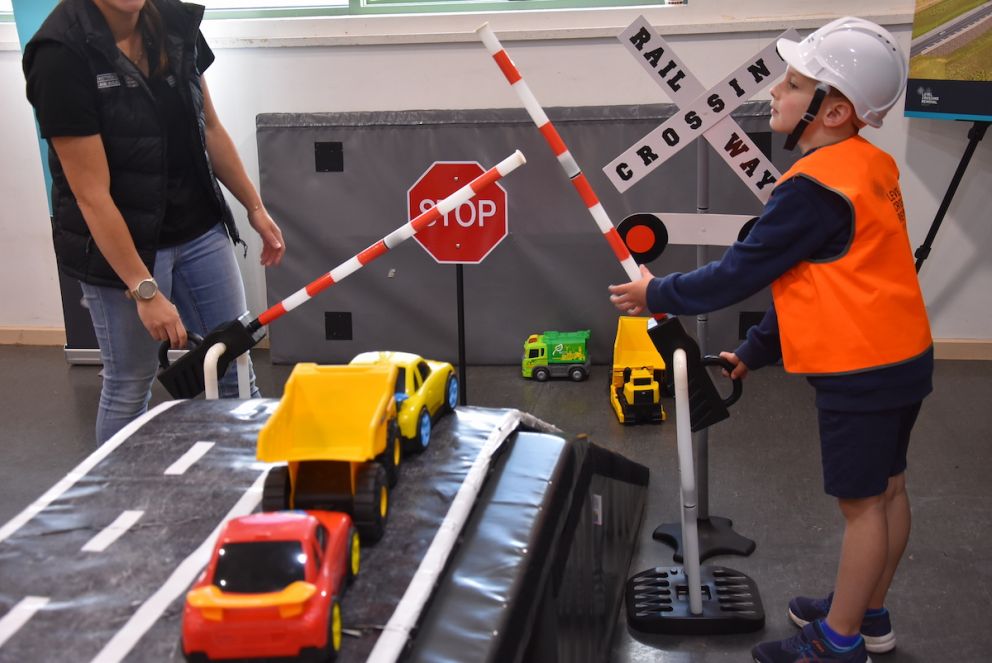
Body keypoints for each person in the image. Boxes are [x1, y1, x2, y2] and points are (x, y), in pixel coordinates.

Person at [609, 17, 932, 663]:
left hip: (859, 369)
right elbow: (822, 277)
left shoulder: (810, 190)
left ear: (833, 110)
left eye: (793, 84)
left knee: (863, 506)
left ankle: (839, 641)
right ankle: (867, 612)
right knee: (890, 490)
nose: (775, 94)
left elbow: (738, 273)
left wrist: (657, 294)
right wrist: (754, 350)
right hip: (902, 356)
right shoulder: (868, 166)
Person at [24, 0, 285, 444]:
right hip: (122, 246)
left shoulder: (174, 21)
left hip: (199, 228)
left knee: (234, 367)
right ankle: (119, 501)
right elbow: (91, 194)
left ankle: (244, 489)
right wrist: (144, 290)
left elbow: (210, 128)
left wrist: (254, 208)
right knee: (129, 386)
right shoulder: (59, 53)